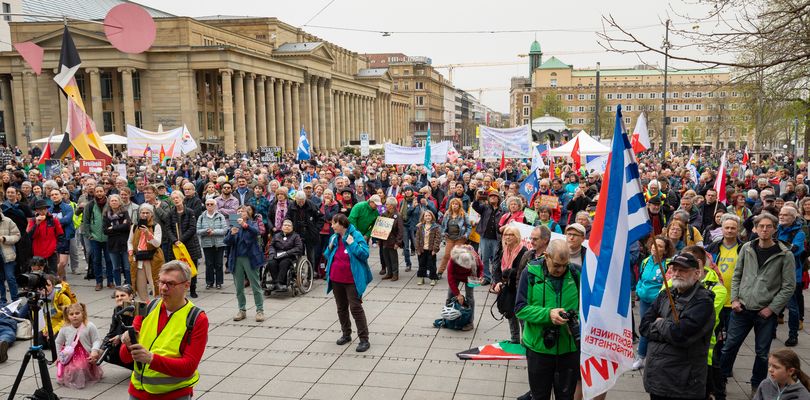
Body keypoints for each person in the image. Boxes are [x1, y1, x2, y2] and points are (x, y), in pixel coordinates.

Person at [719, 213, 797, 396]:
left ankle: (757, 386)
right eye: (761, 226)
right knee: (729, 346)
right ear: (754, 228)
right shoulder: (747, 248)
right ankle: (719, 380)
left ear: (774, 229)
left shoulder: (785, 254)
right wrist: (735, 299)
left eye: (768, 226)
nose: (764, 229)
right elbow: (737, 274)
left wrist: (772, 308)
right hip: (742, 308)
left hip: (765, 312)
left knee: (762, 353)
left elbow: (788, 286)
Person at [120, 261, 209, 400]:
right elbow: (124, 357)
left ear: (186, 285)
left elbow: (188, 367)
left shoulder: (197, 318)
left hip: (174, 395)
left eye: (170, 284)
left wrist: (151, 359)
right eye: (161, 282)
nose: (163, 288)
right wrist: (127, 343)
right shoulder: (148, 307)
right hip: (138, 392)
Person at [640, 252, 716, 400]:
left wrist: (660, 323)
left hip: (683, 382)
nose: (676, 273)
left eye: (683, 270)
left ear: (697, 273)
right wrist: (668, 327)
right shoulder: (665, 295)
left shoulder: (703, 301)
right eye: (674, 269)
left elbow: (680, 334)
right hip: (657, 378)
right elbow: (644, 327)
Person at [515, 240, 580, 400]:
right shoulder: (530, 272)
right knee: (539, 396)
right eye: (557, 265)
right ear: (546, 256)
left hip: (569, 349)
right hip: (539, 349)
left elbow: (588, 309)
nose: (561, 269)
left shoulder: (576, 273)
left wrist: (576, 320)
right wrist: (548, 314)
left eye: (565, 265)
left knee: (566, 396)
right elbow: (520, 309)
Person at [324, 213, 373, 352]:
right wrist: (329, 247)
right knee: (341, 308)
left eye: (334, 223)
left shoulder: (355, 235)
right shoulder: (334, 237)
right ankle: (346, 334)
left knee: (355, 308)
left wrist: (352, 244)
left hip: (352, 279)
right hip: (336, 278)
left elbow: (365, 254)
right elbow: (327, 255)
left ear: (341, 224)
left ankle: (364, 339)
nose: (332, 226)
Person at [633, 235, 675, 370]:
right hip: (645, 302)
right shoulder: (645, 261)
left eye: (660, 246)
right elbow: (641, 278)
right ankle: (640, 357)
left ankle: (657, 357)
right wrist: (639, 290)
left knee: (658, 328)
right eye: (653, 245)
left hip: (660, 304)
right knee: (645, 327)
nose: (655, 248)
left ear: (665, 250)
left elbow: (669, 284)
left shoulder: (668, 264)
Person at [224, 205, 265, 322]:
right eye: (238, 211)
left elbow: (256, 232)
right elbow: (226, 241)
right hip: (236, 258)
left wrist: (244, 226)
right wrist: (231, 234)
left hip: (250, 258)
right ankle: (242, 310)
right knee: (239, 287)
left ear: (247, 214)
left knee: (255, 285)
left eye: (242, 211)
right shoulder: (233, 226)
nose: (240, 213)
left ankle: (260, 310)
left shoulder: (252, 224)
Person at [55, 303, 104, 389]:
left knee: (80, 367)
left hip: (85, 353)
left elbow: (96, 340)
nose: (74, 316)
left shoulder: (89, 326)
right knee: (70, 369)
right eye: (71, 314)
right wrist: (59, 355)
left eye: (77, 313)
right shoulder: (65, 328)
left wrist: (94, 350)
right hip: (70, 354)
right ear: (67, 316)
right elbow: (58, 342)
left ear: (83, 313)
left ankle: (85, 377)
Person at [776, 206, 805, 347]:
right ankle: (771, 330)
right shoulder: (775, 229)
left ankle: (793, 335)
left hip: (792, 274)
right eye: (780, 214)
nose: (781, 216)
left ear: (793, 217)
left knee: (792, 307)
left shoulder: (799, 233)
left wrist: (775, 247)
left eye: (786, 215)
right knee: (772, 303)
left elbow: (794, 250)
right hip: (774, 273)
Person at [493, 225, 527, 344]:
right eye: (506, 234)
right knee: (509, 313)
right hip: (507, 287)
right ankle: (514, 339)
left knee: (521, 315)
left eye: (511, 234)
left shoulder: (523, 251)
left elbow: (521, 271)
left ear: (517, 236)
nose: (507, 237)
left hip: (518, 288)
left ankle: (525, 341)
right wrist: (497, 282)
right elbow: (496, 267)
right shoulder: (503, 249)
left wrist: (507, 273)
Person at [167, 191, 202, 299]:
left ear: (182, 199)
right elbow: (168, 229)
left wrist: (181, 240)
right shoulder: (170, 213)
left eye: (177, 198)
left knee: (191, 267)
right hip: (176, 245)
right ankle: (180, 289)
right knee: (178, 269)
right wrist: (174, 240)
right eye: (173, 199)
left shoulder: (190, 212)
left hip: (189, 244)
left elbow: (192, 228)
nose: (176, 200)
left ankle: (193, 288)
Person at [127, 203, 164, 303]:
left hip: (153, 258)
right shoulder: (135, 226)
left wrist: (148, 233)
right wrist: (130, 252)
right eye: (142, 213)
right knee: (140, 284)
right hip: (138, 258)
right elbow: (130, 241)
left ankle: (158, 303)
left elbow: (157, 244)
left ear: (151, 214)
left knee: (155, 282)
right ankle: (146, 303)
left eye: (147, 213)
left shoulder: (156, 226)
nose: (144, 215)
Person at [445, 244, 483, 331]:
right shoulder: (453, 259)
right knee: (450, 295)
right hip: (456, 276)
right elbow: (450, 278)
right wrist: (458, 294)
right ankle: (447, 319)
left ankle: (470, 322)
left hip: (470, 276)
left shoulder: (475, 257)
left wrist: (481, 276)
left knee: (470, 297)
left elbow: (481, 268)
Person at [83, 187, 114, 290]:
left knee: (109, 260)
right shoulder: (90, 205)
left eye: (101, 191)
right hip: (95, 238)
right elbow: (86, 221)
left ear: (104, 191)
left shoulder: (110, 204)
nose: (99, 193)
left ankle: (110, 281)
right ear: (94, 193)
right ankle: (99, 282)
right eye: (97, 191)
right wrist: (88, 235)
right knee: (96, 260)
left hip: (108, 237)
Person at [287, 191, 324, 274]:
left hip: (310, 233)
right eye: (298, 200)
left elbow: (321, 218)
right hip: (297, 233)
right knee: (298, 254)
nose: (300, 202)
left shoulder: (311, 205)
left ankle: (310, 274)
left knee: (311, 255)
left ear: (305, 199)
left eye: (302, 201)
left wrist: (316, 229)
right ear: (295, 199)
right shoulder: (292, 205)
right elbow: (288, 217)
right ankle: (298, 273)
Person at [472, 189, 504, 285]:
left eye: (495, 196)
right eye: (491, 196)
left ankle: (495, 278)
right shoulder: (485, 207)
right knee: (484, 258)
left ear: (498, 199)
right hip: (485, 237)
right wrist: (477, 197)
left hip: (496, 238)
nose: (493, 198)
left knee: (496, 259)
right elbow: (475, 206)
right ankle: (486, 277)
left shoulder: (503, 210)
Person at [100, 285, 135, 370]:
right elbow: (112, 332)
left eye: (122, 295)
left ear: (130, 296)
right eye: (117, 296)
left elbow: (139, 331)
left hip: (137, 341)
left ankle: (139, 368)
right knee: (106, 353)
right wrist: (101, 349)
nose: (119, 298)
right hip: (123, 340)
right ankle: (135, 367)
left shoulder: (138, 309)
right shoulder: (117, 309)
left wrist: (120, 337)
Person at [27, 199, 64, 275]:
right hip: (37, 252)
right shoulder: (33, 221)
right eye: (40, 209)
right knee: (38, 274)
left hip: (51, 251)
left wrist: (56, 248)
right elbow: (30, 236)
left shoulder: (54, 220)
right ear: (37, 210)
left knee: (52, 274)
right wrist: (37, 224)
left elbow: (60, 235)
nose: (43, 211)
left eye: (45, 209)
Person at [265, 219, 303, 293]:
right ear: (282, 227)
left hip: (289, 256)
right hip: (277, 255)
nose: (287, 227)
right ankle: (276, 283)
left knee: (284, 262)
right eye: (285, 225)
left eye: (289, 225)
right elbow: (271, 246)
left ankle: (279, 282)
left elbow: (298, 248)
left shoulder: (296, 236)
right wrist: (272, 253)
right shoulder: (276, 235)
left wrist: (287, 253)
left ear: (292, 228)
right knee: (271, 262)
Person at [103, 194, 133, 286]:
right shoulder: (106, 215)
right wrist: (120, 227)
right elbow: (105, 231)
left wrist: (113, 227)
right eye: (112, 201)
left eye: (116, 200)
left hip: (124, 243)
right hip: (113, 244)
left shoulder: (124, 213)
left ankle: (128, 287)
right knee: (116, 267)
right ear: (109, 203)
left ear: (120, 202)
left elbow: (127, 226)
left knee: (127, 267)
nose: (114, 202)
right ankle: (118, 287)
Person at [197, 199, 227, 290]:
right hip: (207, 244)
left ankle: (219, 282)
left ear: (215, 205)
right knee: (209, 264)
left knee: (219, 264)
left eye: (211, 204)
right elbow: (197, 230)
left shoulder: (220, 216)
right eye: (207, 204)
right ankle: (209, 282)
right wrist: (206, 231)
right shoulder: (201, 217)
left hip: (219, 244)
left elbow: (224, 230)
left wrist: (213, 232)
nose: (209, 205)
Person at [438, 198, 470, 278]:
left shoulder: (463, 214)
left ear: (459, 205)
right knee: (447, 255)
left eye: (456, 204)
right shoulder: (447, 214)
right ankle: (440, 272)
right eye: (453, 204)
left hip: (460, 238)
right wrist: (443, 233)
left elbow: (469, 226)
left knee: (458, 256)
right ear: (450, 205)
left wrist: (466, 235)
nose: (454, 206)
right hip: (450, 237)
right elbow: (443, 226)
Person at [49, 188, 74, 281]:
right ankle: (62, 280)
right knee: (57, 261)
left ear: (61, 195)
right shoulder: (49, 209)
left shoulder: (68, 207)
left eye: (56, 194)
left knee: (62, 263)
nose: (54, 196)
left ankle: (57, 278)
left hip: (64, 237)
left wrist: (54, 221)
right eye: (52, 195)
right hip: (53, 238)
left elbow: (67, 220)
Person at [379, 197, 404, 281]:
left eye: (387, 204)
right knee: (386, 257)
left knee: (393, 258)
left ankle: (395, 274)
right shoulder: (384, 214)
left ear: (392, 206)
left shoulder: (398, 216)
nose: (385, 205)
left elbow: (400, 231)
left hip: (393, 240)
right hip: (384, 240)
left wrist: (398, 242)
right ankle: (389, 273)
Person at [415, 210, 441, 286]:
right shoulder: (420, 226)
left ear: (432, 216)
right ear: (423, 217)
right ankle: (421, 277)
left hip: (431, 249)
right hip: (422, 249)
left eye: (429, 215)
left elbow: (438, 239)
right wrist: (417, 249)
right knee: (421, 264)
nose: (427, 217)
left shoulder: (435, 227)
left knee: (431, 264)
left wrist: (435, 249)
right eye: (426, 216)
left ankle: (433, 278)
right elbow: (417, 238)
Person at [0, 209, 20, 304]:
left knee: (10, 277)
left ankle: (15, 300)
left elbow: (17, 236)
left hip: (8, 255)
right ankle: (2, 300)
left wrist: (4, 238)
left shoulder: (8, 221)